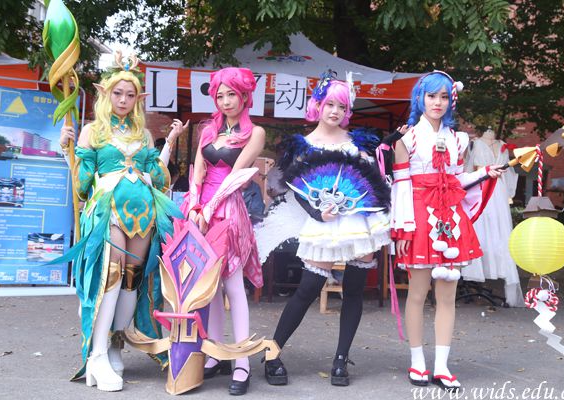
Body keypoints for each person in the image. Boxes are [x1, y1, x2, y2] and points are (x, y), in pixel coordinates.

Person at [56, 53, 187, 392]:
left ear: (137, 99)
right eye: (118, 93)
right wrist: (67, 150)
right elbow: (82, 185)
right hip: (108, 209)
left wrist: (169, 143)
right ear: (106, 93)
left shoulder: (144, 135)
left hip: (143, 211)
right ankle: (97, 354)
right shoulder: (92, 131)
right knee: (110, 275)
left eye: (130, 95)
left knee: (132, 277)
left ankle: (116, 343)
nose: (124, 100)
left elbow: (158, 178)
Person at [263, 72, 392, 387]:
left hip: (358, 223)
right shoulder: (304, 145)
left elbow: (372, 182)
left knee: (354, 290)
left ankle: (340, 360)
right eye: (330, 104)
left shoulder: (357, 143)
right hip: (323, 222)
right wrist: (317, 213)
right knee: (308, 288)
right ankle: (271, 353)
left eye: (342, 106)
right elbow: (294, 187)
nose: (335, 111)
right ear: (318, 105)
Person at [391, 71, 502, 391]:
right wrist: (403, 230)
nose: (437, 103)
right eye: (431, 96)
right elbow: (401, 186)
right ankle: (417, 362)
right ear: (420, 98)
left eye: (443, 97)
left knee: (447, 297)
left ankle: (442, 366)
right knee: (416, 294)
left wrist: (484, 173)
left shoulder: (459, 140)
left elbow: (457, 180)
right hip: (418, 218)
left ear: (450, 101)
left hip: (449, 220)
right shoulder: (406, 139)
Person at [181, 67, 265, 395]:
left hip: (228, 209)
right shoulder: (208, 130)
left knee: (232, 285)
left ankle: (242, 362)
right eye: (220, 96)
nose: (226, 101)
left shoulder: (255, 133)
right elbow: (197, 172)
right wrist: (193, 206)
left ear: (244, 96)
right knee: (209, 285)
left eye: (232, 94)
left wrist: (209, 208)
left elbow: (236, 177)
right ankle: (215, 353)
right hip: (200, 209)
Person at [461, 128, 524, 307]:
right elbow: (468, 169)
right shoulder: (474, 144)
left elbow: (510, 173)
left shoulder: (503, 145)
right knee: (480, 228)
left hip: (499, 190)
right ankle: (473, 272)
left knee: (500, 231)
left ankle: (499, 271)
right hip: (481, 187)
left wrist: (509, 193)